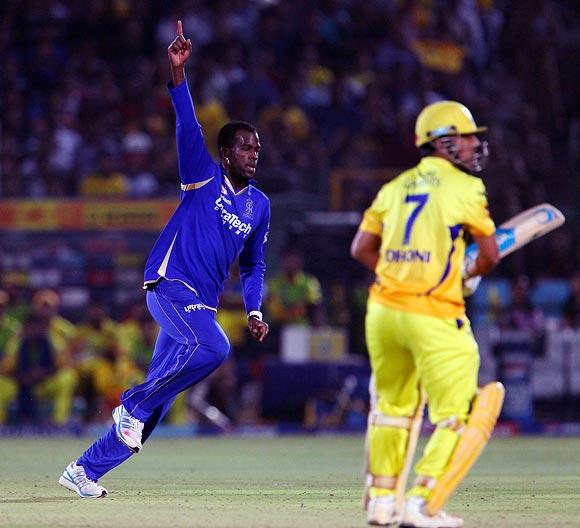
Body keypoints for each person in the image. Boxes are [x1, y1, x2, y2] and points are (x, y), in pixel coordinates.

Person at [59, 20, 270, 498]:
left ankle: (84, 470)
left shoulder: (260, 206)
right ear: (224, 152)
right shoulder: (201, 173)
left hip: (201, 304)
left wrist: (255, 308)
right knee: (214, 349)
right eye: (245, 145)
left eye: (258, 147)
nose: (254, 153)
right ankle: (130, 402)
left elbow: (255, 265)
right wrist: (177, 73)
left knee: (153, 409)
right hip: (170, 286)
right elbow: (186, 123)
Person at [351, 101, 502, 527]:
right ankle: (421, 503)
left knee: (392, 410)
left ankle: (382, 502)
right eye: (469, 136)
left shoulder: (393, 187)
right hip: (434, 314)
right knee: (461, 413)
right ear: (445, 140)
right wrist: (467, 275)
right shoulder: (466, 188)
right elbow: (488, 255)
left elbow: (361, 249)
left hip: (382, 312)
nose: (475, 144)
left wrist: (399, 274)